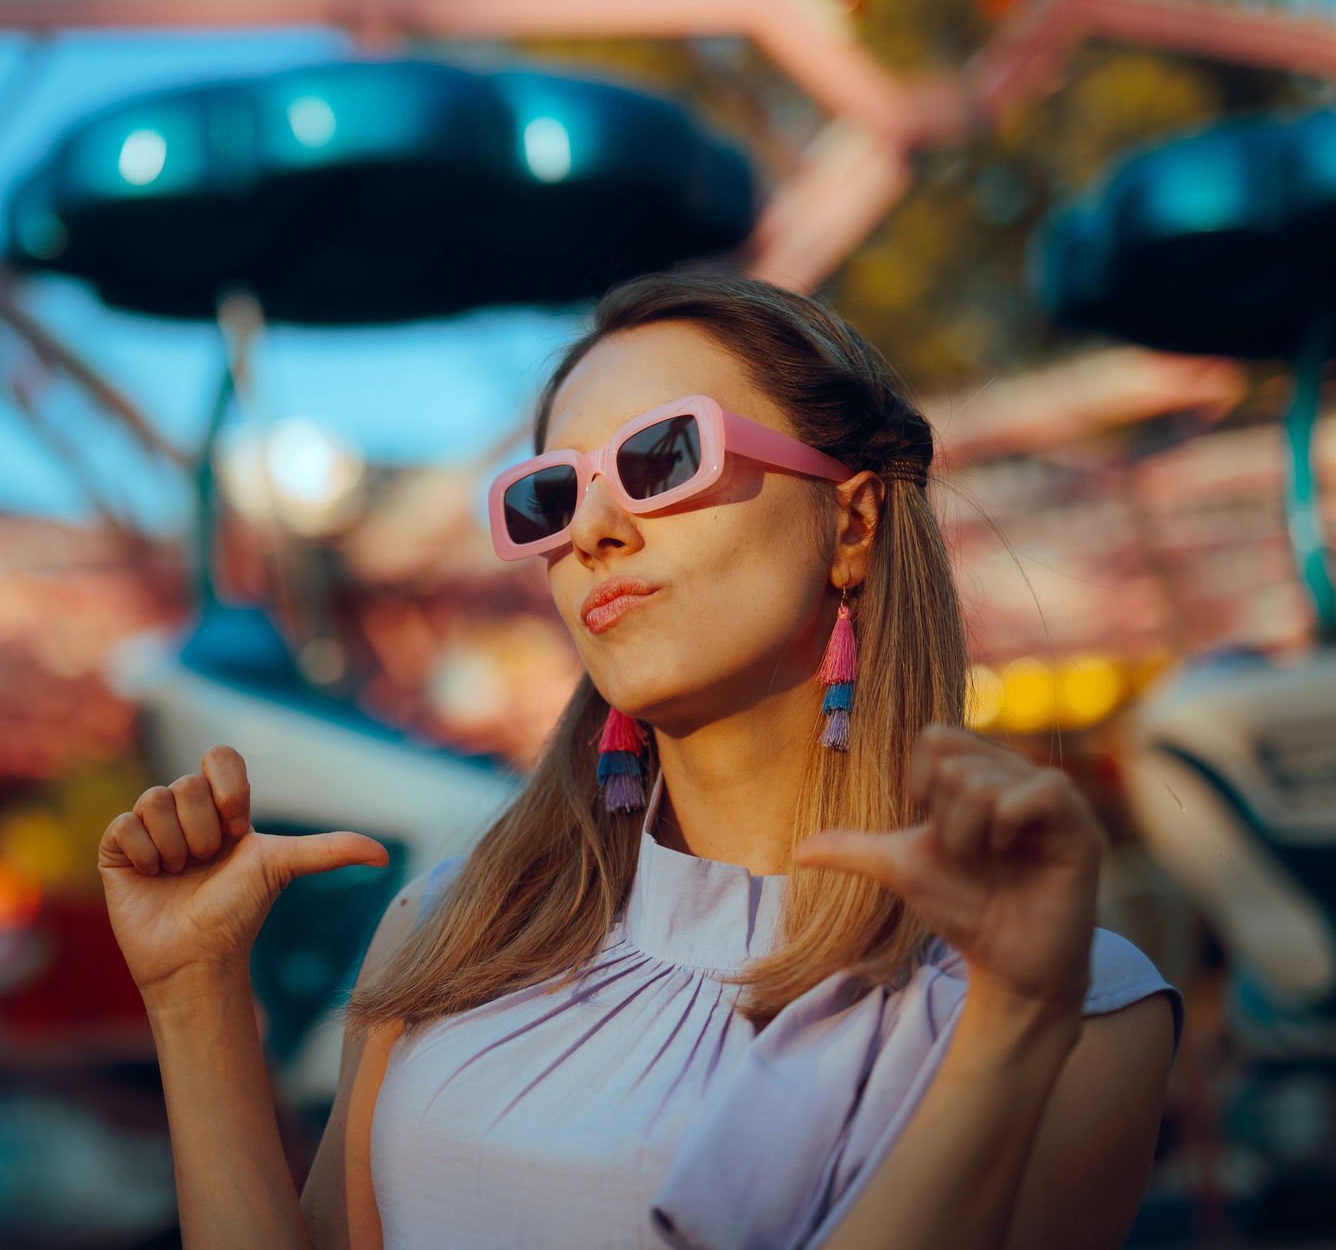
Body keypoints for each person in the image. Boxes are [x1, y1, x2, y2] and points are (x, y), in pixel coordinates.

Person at [98, 274, 1180, 1250]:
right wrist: (193, 996)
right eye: (549, 497)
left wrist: (1007, 1022)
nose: (593, 532)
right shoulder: (449, 932)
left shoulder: (1070, 1008)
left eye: (660, 458)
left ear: (848, 522)